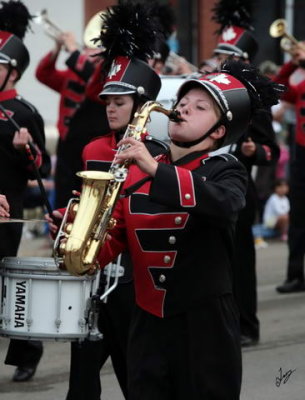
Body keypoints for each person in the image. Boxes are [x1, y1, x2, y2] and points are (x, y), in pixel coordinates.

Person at [92, 59, 283, 400]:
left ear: (219, 130)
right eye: (181, 102)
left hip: (204, 327)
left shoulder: (227, 170)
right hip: (147, 323)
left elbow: (223, 205)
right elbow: (116, 237)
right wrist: (77, 239)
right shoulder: (142, 168)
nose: (182, 109)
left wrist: (153, 169)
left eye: (200, 107)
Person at [47, 3, 168, 399]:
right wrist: (67, 218)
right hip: (92, 279)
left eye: (119, 102)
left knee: (136, 378)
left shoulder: (159, 156)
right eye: (107, 102)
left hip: (133, 282)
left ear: (139, 104)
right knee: (81, 382)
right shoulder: (93, 147)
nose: (111, 108)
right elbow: (84, 199)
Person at [211, 0, 280, 347]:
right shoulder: (210, 94)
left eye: (232, 54)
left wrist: (256, 151)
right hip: (208, 188)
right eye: (223, 53)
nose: (225, 60)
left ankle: (247, 326)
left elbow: (273, 151)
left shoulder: (254, 104)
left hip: (240, 190)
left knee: (240, 265)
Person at [0, 0, 51, 382]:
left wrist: (26, 149)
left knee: (7, 286)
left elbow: (42, 168)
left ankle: (28, 348)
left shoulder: (25, 111)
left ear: (12, 71)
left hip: (7, 211)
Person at [35, 29, 103, 208]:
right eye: (87, 49)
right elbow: (43, 73)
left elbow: (93, 79)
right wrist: (57, 48)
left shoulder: (101, 79)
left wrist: (73, 50)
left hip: (91, 144)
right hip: (66, 143)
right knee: (63, 194)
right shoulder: (71, 75)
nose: (89, 52)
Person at [273, 40, 305, 294]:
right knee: (298, 218)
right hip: (301, 155)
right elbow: (281, 89)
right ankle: (295, 275)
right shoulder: (301, 84)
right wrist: (290, 63)